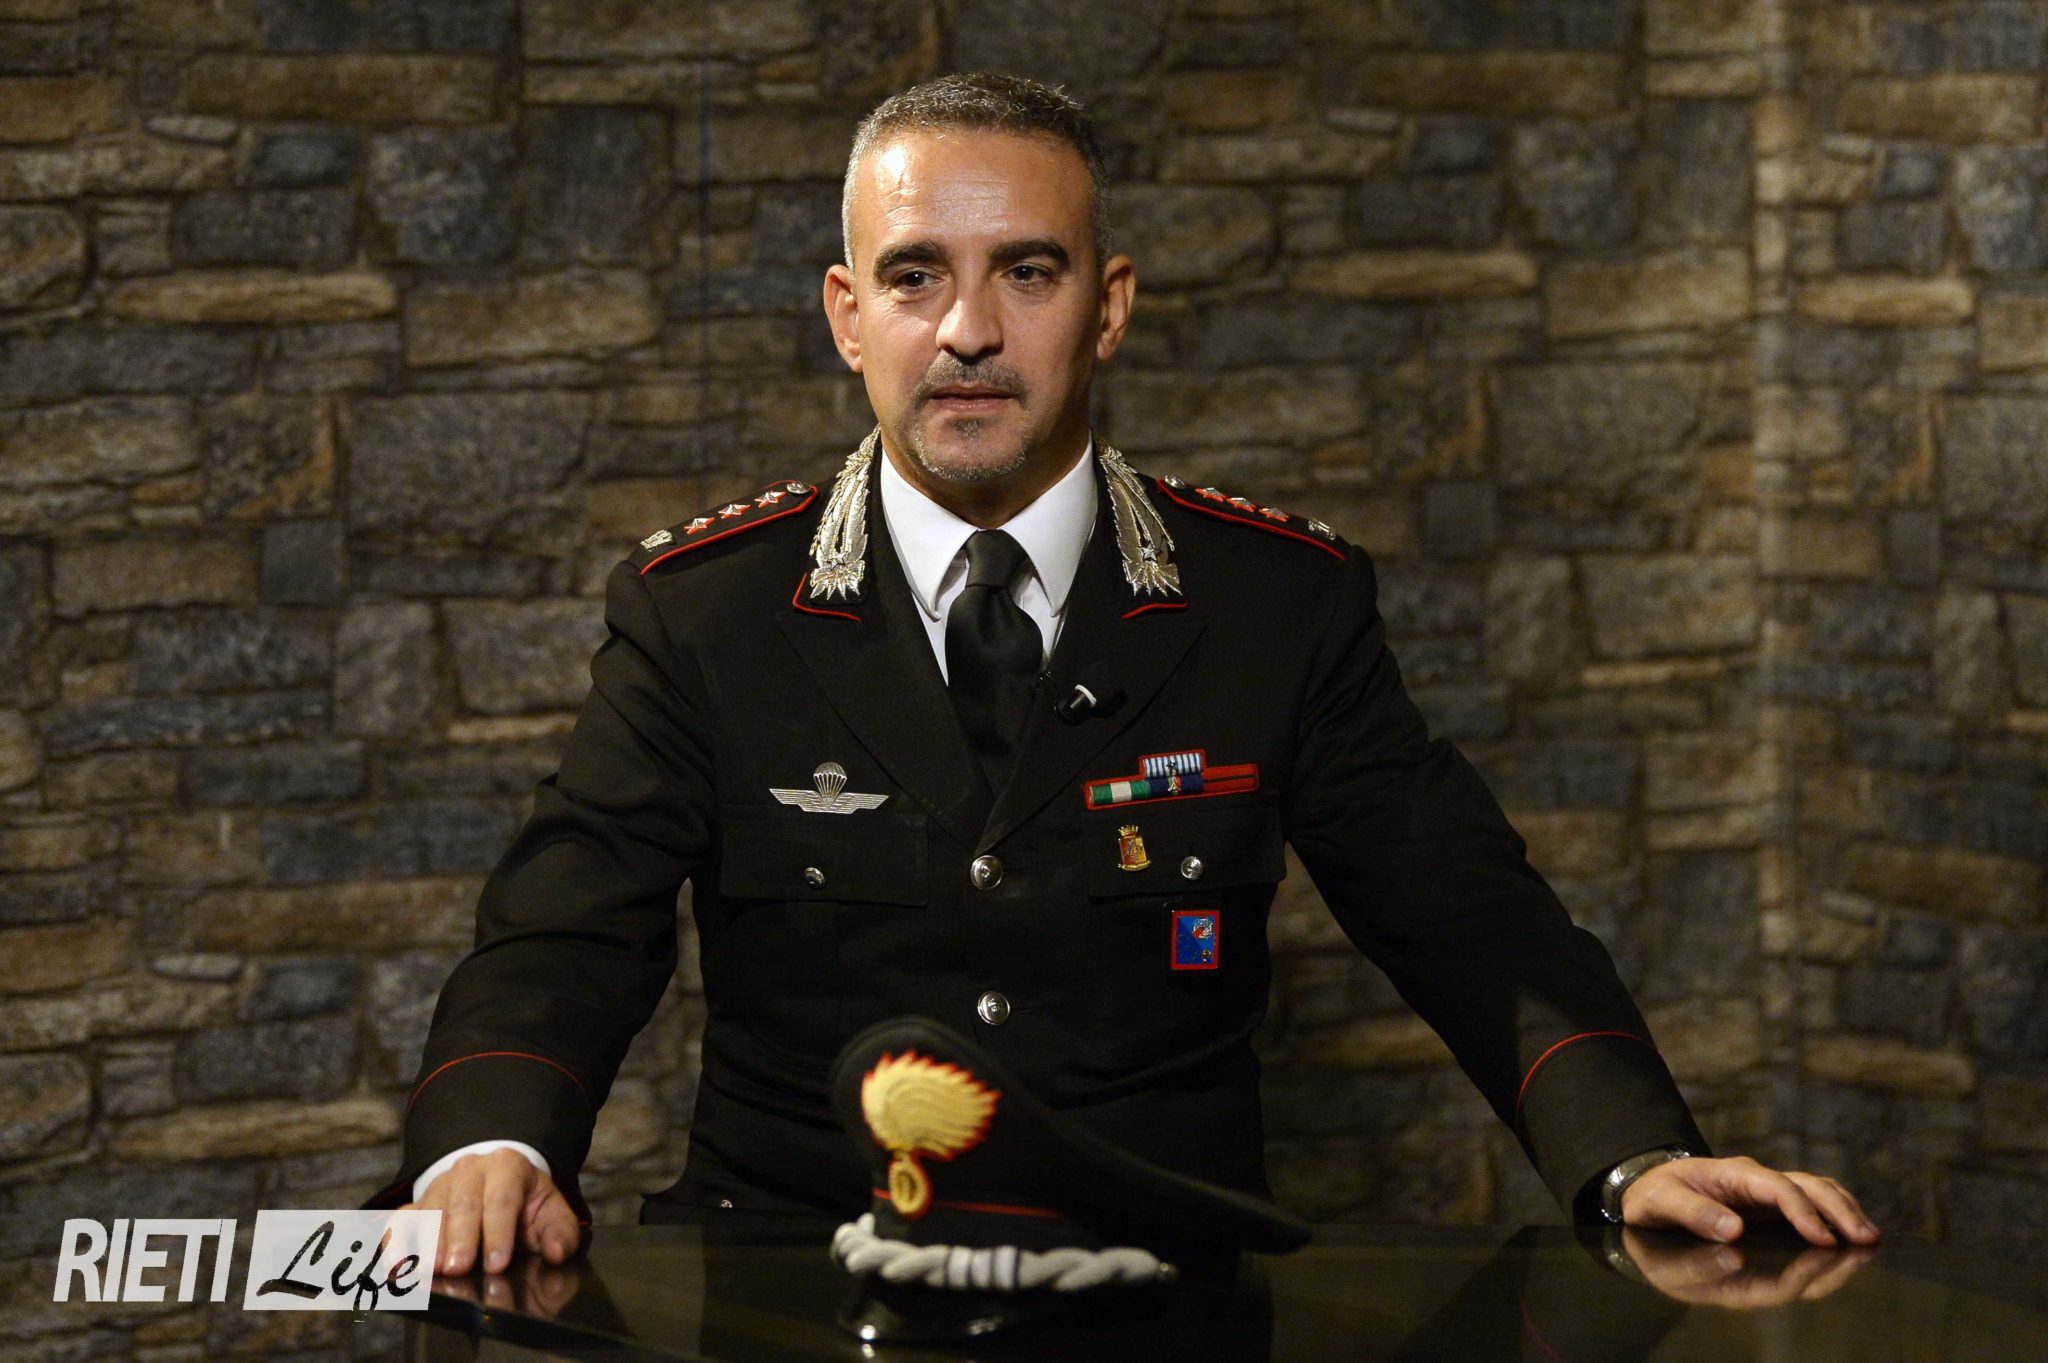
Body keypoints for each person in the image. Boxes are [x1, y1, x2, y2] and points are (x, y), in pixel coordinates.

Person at [380, 73, 1879, 1278]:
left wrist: (1632, 1156)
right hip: (792, 1285)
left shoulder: (1278, 604)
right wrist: (487, 1148)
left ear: (1108, 305)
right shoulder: (707, 614)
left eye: (1026, 272)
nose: (969, 330)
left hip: (1168, 1285)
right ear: (848, 316)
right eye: (916, 275)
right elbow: (565, 927)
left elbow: (1471, 918)